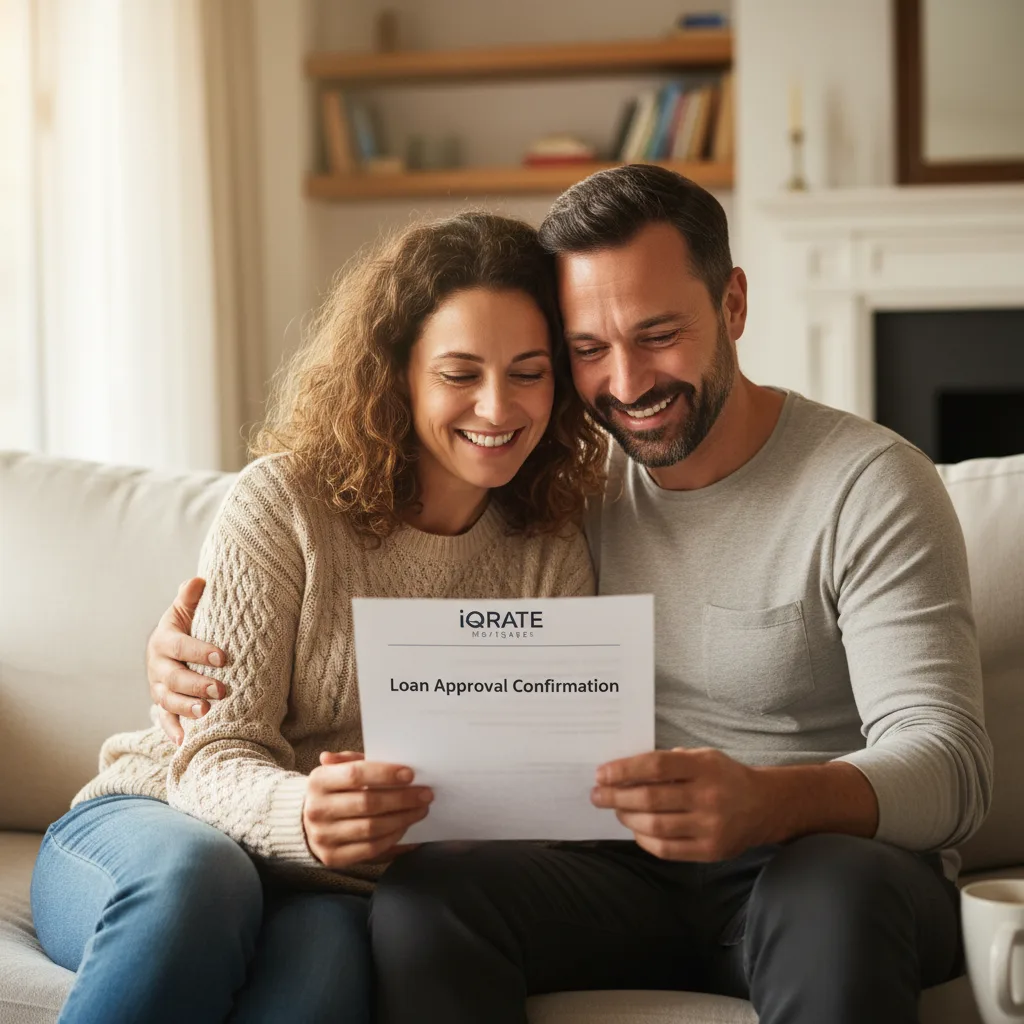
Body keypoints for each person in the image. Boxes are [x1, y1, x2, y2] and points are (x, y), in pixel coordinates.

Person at [148, 167, 993, 1024]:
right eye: (588, 349)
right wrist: (192, 645)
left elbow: (952, 766)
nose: (626, 384)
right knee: (429, 896)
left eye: (659, 334)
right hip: (620, 868)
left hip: (817, 864)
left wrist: (771, 802)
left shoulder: (871, 486)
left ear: (732, 306)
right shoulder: (563, 491)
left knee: (832, 890)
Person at [30, 212, 606, 1024]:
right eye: (459, 372)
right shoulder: (283, 503)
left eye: (528, 371)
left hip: (337, 887)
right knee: (205, 880)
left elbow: (537, 793)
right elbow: (213, 751)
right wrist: (302, 813)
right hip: (158, 823)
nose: (496, 404)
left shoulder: (551, 551)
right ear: (397, 374)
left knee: (327, 980)